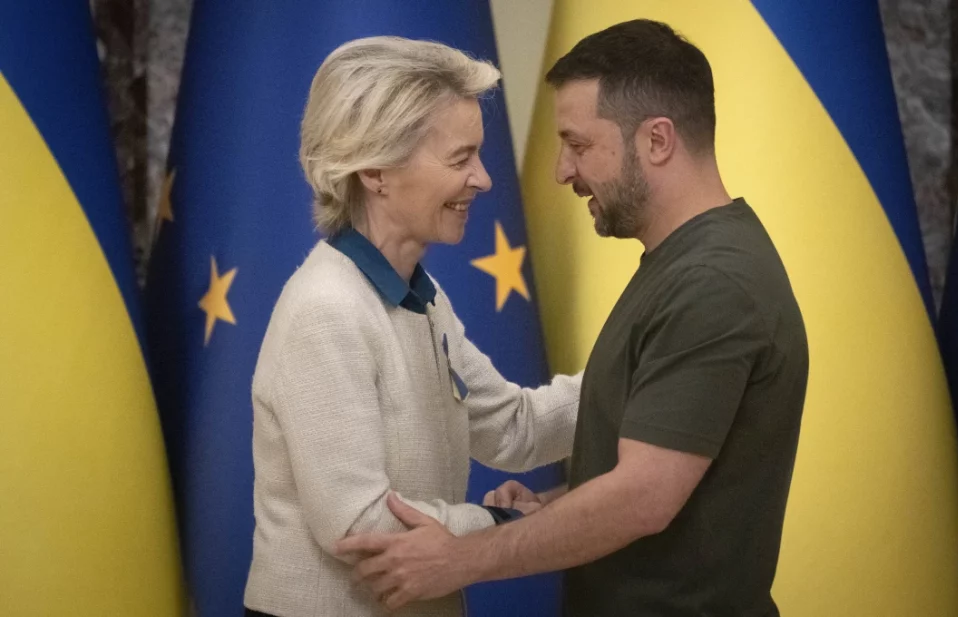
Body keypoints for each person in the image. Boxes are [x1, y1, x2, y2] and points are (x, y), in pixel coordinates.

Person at [336, 19, 810, 617]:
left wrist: (462, 558)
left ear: (657, 140)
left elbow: (642, 498)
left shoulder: (711, 284)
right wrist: (552, 510)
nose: (562, 170)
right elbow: (660, 471)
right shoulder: (683, 266)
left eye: (579, 145)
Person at [242, 36, 581, 617]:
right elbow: (359, 523)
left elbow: (513, 427)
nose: (483, 179)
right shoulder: (326, 308)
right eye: (460, 159)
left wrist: (638, 376)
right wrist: (505, 523)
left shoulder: (420, 299)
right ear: (375, 169)